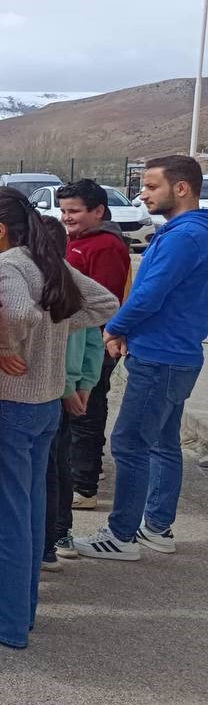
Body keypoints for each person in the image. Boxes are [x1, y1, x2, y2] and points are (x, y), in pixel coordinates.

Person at [0, 188, 116, 648]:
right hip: (44, 404)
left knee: (0, 513)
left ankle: (0, 618)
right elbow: (104, 304)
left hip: (8, 405)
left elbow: (18, 312)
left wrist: (5, 347)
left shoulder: (7, 265)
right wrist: (54, 332)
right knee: (28, 509)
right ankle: (15, 605)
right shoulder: (47, 261)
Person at [75, 156, 208, 561]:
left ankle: (121, 535)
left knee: (130, 443)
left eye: (151, 186)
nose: (142, 194)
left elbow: (151, 293)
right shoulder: (188, 233)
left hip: (162, 356)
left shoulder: (186, 237)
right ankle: (157, 526)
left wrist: (114, 328)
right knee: (163, 442)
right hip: (173, 352)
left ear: (181, 188)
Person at [56, 179, 132, 511]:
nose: (66, 218)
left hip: (94, 344)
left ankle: (84, 483)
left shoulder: (105, 247)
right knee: (79, 413)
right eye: (63, 211)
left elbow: (104, 299)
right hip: (77, 341)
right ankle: (85, 469)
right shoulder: (77, 241)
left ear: (98, 211)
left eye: (74, 211)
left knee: (87, 410)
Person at [43, 214, 104, 568]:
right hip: (71, 391)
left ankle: (46, 545)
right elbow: (93, 342)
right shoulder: (77, 286)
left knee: (45, 472)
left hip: (51, 392)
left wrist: (70, 388)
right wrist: (85, 386)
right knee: (60, 466)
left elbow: (56, 349)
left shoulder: (46, 288)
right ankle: (62, 533)